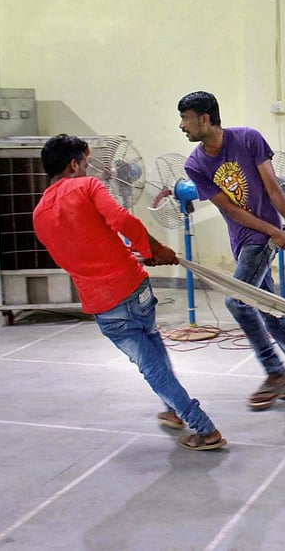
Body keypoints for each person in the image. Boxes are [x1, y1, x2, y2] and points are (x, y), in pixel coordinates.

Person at [32, 134, 225, 451]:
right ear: (73, 164)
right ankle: (174, 410)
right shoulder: (87, 187)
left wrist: (140, 252)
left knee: (151, 367)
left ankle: (203, 428)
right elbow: (122, 220)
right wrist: (152, 250)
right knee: (153, 346)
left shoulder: (39, 215)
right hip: (136, 289)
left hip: (106, 305)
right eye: (86, 161)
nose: (89, 168)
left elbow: (72, 256)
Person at [177, 91, 285, 410]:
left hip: (258, 241)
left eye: (186, 118)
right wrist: (276, 232)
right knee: (268, 309)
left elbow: (274, 190)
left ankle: (275, 372)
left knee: (237, 301)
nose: (182, 126)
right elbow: (231, 210)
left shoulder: (248, 139)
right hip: (249, 236)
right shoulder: (195, 164)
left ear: (205, 118)